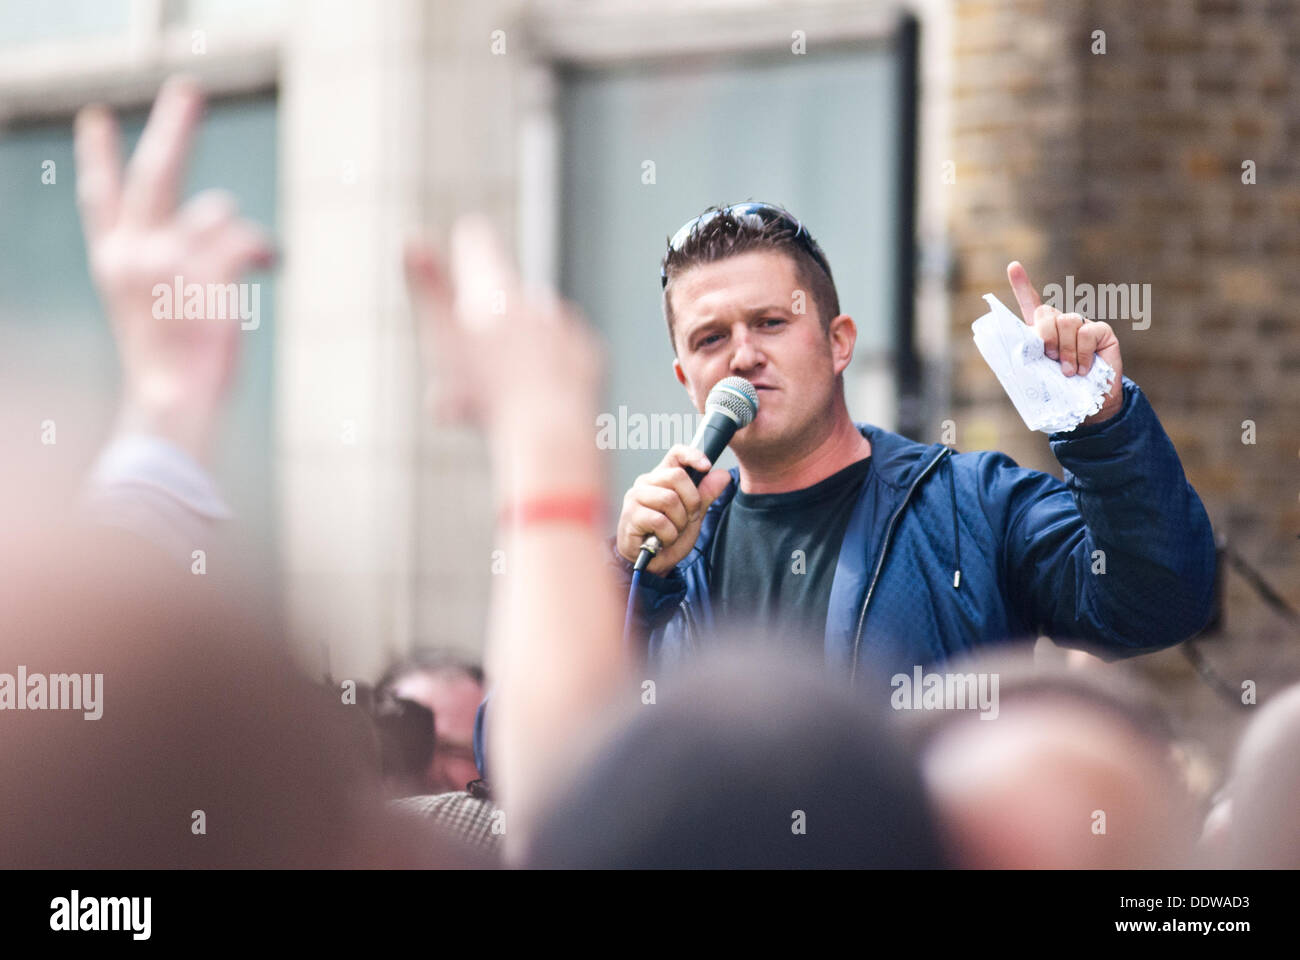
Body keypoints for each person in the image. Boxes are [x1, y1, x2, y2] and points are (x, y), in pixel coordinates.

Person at [610, 201, 1217, 698]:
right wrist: (627, 586)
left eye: (771, 322)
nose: (743, 355)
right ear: (686, 378)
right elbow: (551, 743)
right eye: (712, 337)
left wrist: (1100, 426)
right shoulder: (662, 558)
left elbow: (1159, 600)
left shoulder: (972, 505)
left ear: (839, 343)